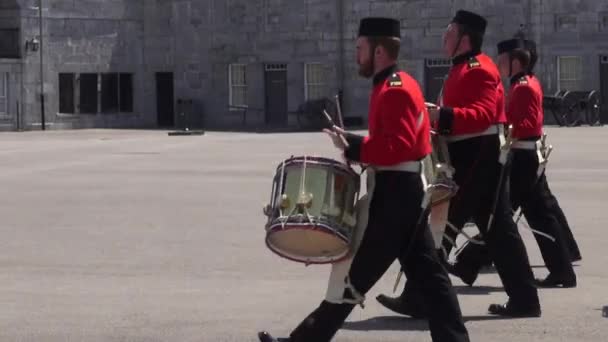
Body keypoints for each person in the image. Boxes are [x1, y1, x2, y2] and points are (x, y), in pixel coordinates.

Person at [257, 17, 470, 342]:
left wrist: (356, 146)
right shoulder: (395, 83)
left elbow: (397, 147)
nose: (356, 55)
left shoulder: (394, 89)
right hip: (402, 192)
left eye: (360, 48)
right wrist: (356, 145)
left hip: (395, 196)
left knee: (356, 278)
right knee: (431, 277)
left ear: (379, 50)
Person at [376, 9, 541, 318]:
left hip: (478, 155)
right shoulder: (462, 69)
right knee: (498, 231)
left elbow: (482, 115)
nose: (444, 37)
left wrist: (442, 116)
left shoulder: (479, 69)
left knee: (442, 227)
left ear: (464, 39)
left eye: (449, 32)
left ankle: (418, 297)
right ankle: (525, 299)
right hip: (473, 154)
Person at [449, 38, 580, 288]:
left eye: (503, 61)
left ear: (516, 62)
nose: (499, 65)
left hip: (522, 159)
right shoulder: (526, 83)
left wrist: (498, 127)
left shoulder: (523, 88)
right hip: (526, 156)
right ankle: (562, 270)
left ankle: (470, 262)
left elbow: (525, 125)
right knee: (536, 217)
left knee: (501, 218)